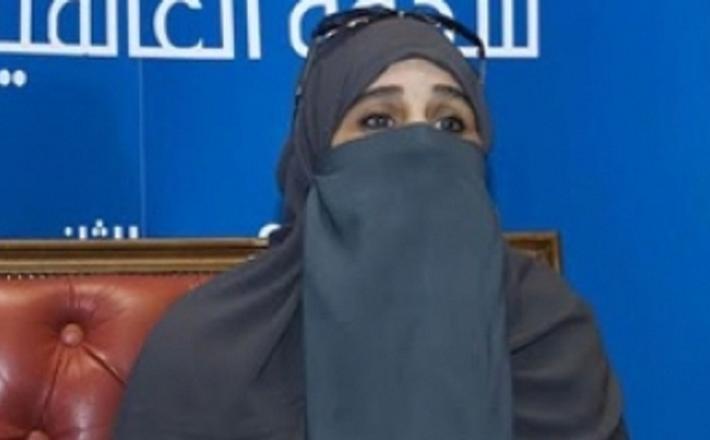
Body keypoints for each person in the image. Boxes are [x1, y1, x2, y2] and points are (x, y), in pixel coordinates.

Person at [114, 7, 626, 439]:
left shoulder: (549, 334)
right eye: (378, 121)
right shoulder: (209, 352)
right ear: (315, 155)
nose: (422, 145)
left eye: (450, 123)